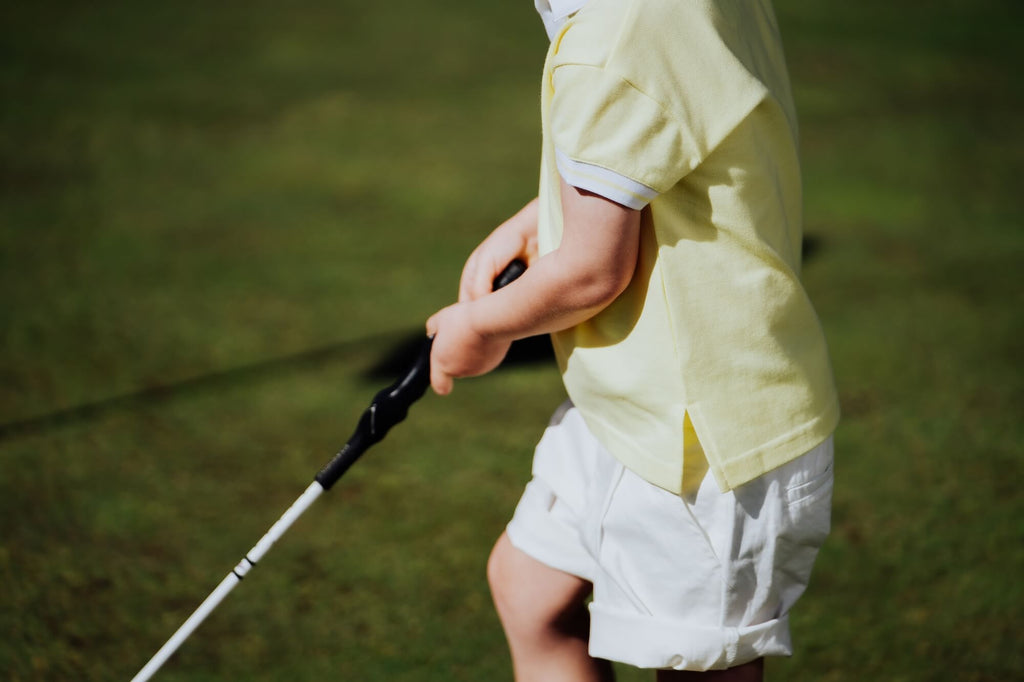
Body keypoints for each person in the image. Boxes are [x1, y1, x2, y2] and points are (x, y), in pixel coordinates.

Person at [425, 0, 840, 679]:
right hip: (628, 406)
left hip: (707, 442)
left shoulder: (609, 42)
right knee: (529, 592)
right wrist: (543, 218)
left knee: (698, 665)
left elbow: (592, 271)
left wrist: (481, 329)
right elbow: (673, 134)